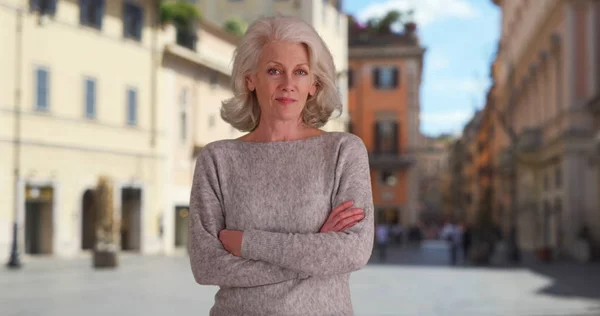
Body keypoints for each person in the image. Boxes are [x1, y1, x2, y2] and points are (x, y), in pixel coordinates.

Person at [187, 16, 374, 316]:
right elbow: (206, 265)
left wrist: (247, 243)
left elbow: (353, 251)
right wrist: (314, 252)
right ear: (250, 79)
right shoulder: (217, 159)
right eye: (274, 70)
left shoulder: (343, 151)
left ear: (314, 84)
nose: (288, 85)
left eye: (300, 72)